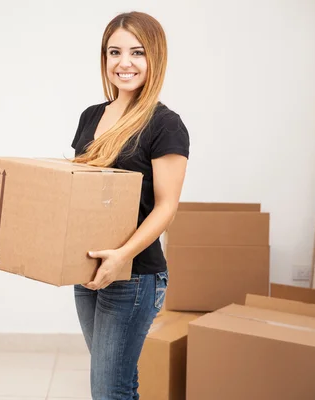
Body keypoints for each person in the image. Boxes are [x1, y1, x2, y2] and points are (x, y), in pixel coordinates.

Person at [70, 11, 190, 400]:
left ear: (155, 58)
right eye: (114, 52)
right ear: (104, 58)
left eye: (137, 52)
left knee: (110, 391)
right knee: (114, 385)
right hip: (88, 271)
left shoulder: (165, 125)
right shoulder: (92, 116)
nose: (124, 63)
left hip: (134, 276)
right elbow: (79, 191)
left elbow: (166, 207)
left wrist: (121, 256)